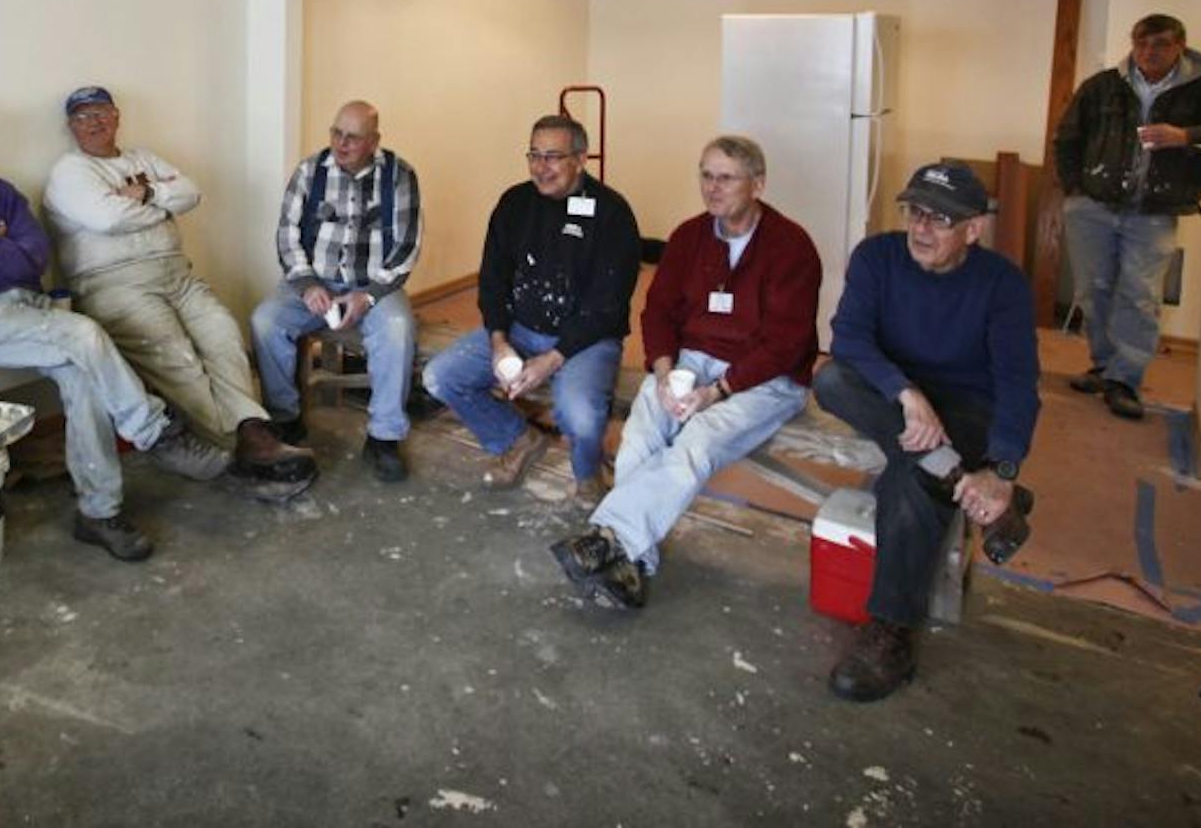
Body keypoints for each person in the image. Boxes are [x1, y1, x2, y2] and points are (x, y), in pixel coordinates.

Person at [0, 98, 228, 562]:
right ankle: (153, 430)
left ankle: (99, 513)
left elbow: (34, 258)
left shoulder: (1, 192)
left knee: (82, 379)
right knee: (84, 334)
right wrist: (1, 250)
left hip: (29, 310)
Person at [550, 136, 820, 608]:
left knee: (698, 442)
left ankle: (608, 537)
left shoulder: (791, 246)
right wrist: (662, 370)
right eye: (706, 175)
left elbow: (785, 344)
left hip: (767, 377)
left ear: (758, 184)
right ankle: (632, 563)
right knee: (641, 434)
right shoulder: (689, 236)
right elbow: (658, 311)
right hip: (691, 362)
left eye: (726, 178)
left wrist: (719, 391)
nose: (712, 188)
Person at [813, 161, 1039, 702]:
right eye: (915, 212)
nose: (921, 228)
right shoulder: (877, 257)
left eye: (940, 219)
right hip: (894, 396)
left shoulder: (1003, 284)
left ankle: (891, 629)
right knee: (831, 380)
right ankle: (958, 475)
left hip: (966, 406)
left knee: (910, 479)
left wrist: (1003, 468)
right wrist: (906, 394)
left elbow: (1017, 383)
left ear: (973, 229)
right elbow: (849, 338)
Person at [41, 86, 316, 498]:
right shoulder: (70, 172)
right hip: (114, 284)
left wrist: (148, 193)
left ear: (116, 117)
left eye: (101, 113)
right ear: (71, 126)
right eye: (83, 117)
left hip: (176, 274)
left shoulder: (143, 158)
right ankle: (238, 445)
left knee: (223, 333)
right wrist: (162, 205)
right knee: (177, 356)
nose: (94, 123)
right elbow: (107, 219)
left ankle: (250, 428)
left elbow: (191, 193)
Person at [1054, 14, 1201, 419]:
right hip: (1092, 206)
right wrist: (1074, 188)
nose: (1149, 52)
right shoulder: (1103, 86)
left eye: (1161, 44)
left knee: (1140, 295)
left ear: (1180, 46)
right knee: (1093, 290)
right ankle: (1103, 366)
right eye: (1141, 43)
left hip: (1153, 212)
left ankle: (1124, 380)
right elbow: (1067, 136)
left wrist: (1186, 136)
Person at [422, 114, 639, 503]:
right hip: (520, 330)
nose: (541, 167)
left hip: (586, 341)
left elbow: (608, 306)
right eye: (534, 155)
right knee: (440, 376)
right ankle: (518, 438)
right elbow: (492, 280)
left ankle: (588, 474)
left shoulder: (612, 213)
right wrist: (498, 340)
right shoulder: (515, 204)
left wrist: (553, 359)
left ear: (581, 159)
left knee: (580, 414)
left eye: (553, 157)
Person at [249, 101, 424, 482]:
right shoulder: (309, 172)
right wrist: (307, 284)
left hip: (373, 284)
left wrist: (368, 295)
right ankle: (286, 417)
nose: (341, 144)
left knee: (397, 329)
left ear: (374, 141)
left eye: (353, 138)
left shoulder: (399, 176)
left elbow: (406, 248)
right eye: (336, 133)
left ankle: (384, 436)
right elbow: (287, 236)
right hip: (315, 280)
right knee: (265, 321)